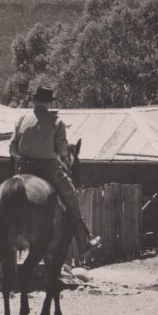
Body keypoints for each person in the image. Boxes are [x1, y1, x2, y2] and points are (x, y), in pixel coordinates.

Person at [9, 85, 102, 255]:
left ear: (34, 101)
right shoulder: (56, 122)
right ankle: (83, 242)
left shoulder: (21, 119)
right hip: (48, 167)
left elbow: (12, 150)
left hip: (23, 167)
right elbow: (63, 151)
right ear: (48, 103)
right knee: (71, 196)